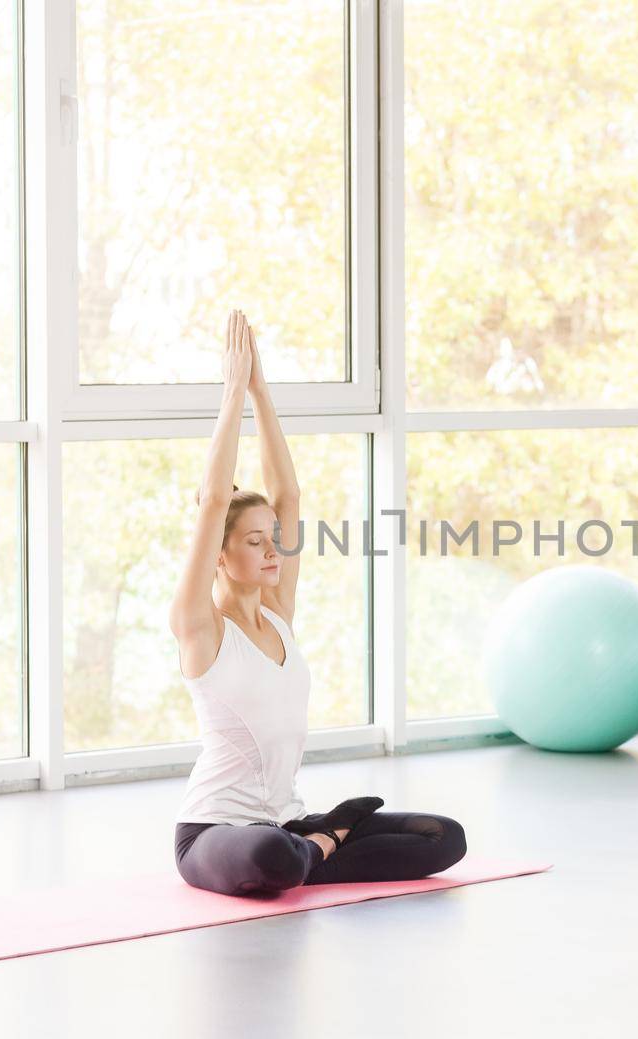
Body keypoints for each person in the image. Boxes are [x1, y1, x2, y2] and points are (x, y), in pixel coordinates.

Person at [167, 309, 466, 897]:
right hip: (214, 832)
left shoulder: (278, 610)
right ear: (220, 557)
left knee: (443, 837)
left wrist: (260, 389)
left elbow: (289, 494)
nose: (274, 549)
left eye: (274, 538)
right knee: (272, 856)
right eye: (255, 541)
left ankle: (315, 847)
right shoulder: (200, 627)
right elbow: (209, 506)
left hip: (287, 820)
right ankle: (324, 843)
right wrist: (231, 394)